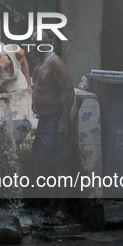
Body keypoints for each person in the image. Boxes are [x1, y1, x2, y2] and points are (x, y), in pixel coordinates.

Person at [30, 30, 74, 221]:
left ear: (51, 42)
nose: (37, 45)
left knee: (59, 164)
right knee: (47, 163)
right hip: (45, 119)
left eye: (41, 41)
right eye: (34, 42)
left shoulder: (55, 62)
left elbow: (69, 91)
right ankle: (53, 202)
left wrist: (63, 121)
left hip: (56, 118)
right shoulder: (40, 63)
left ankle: (64, 208)